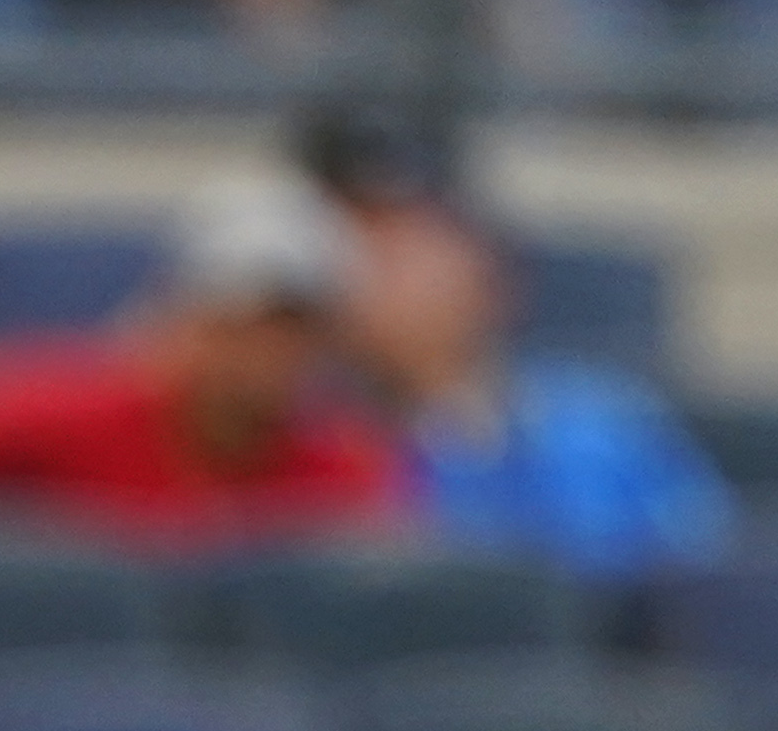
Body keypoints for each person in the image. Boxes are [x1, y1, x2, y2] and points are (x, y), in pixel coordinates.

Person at [0, 173, 408, 546]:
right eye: (245, 326)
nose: (266, 353)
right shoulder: (70, 403)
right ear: (188, 318)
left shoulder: (339, 463)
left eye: (294, 330)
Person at [301, 112, 734, 579]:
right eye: (344, 244)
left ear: (483, 271)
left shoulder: (600, 430)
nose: (357, 274)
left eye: (393, 248)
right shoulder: (299, 438)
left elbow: (700, 577)